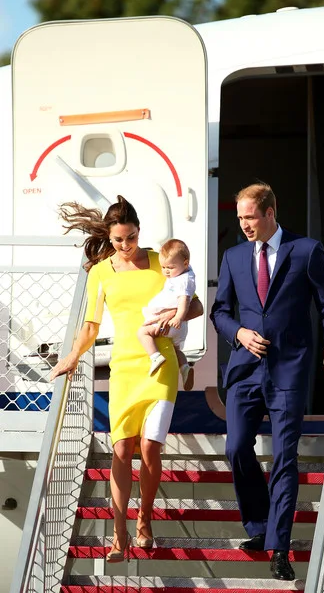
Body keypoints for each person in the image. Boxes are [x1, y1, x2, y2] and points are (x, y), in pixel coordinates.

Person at [49, 195, 203, 562]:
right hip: (125, 366)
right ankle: (119, 534)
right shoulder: (100, 272)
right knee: (122, 449)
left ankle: (144, 520)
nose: (125, 245)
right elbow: (91, 325)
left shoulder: (158, 261)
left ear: (139, 231)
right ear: (109, 236)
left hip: (159, 362)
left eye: (131, 237)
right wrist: (72, 355)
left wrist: (171, 317)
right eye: (118, 239)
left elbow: (194, 304)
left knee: (150, 446)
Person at [210, 182, 324, 581]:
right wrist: (238, 333)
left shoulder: (306, 250)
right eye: (239, 218)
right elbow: (220, 311)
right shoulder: (234, 256)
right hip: (244, 370)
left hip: (289, 369)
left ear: (270, 212)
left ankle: (279, 547)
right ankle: (259, 526)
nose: (244, 225)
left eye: (249, 217)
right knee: (236, 447)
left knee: (285, 459)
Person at [137, 238, 195, 391]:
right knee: (177, 350)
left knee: (143, 332)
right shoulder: (185, 274)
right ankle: (184, 368)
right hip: (178, 328)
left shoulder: (183, 281)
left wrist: (178, 317)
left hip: (170, 324)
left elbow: (184, 301)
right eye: (163, 267)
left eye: (170, 267)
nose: (166, 271)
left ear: (185, 263)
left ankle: (155, 356)